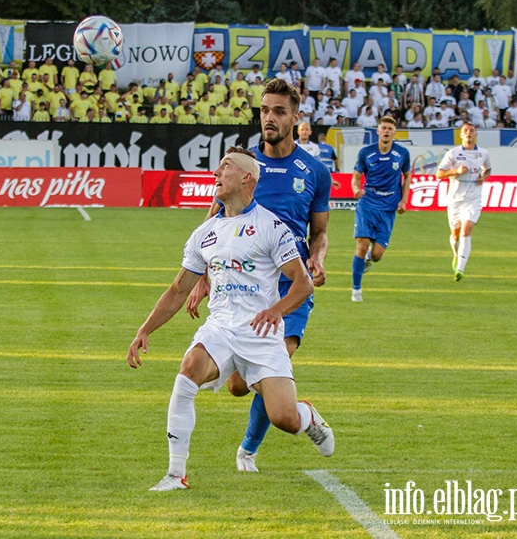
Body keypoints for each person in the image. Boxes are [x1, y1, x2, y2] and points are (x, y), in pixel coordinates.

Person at [128, 146, 334, 491]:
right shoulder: (205, 233)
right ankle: (176, 474)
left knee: (282, 417)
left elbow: (303, 283)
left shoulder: (272, 227)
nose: (215, 174)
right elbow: (179, 289)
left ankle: (307, 417)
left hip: (262, 334)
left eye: (225, 167)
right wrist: (145, 329)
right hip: (221, 327)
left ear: (246, 177)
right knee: (188, 371)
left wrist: (275, 310)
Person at [186, 78, 331, 473]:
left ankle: (248, 449)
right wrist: (201, 280)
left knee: (275, 363)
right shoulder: (243, 164)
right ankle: (303, 412)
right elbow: (212, 226)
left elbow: (319, 233)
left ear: (295, 117)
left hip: (289, 287)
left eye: (279, 111)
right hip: (243, 288)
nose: (269, 118)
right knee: (236, 386)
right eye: (265, 110)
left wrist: (317, 258)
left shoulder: (314, 171)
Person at [350, 116, 412, 302]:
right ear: (377, 131)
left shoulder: (402, 153)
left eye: (390, 128)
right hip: (367, 205)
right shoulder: (366, 153)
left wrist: (403, 200)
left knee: (376, 255)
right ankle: (356, 290)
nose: (386, 131)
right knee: (361, 245)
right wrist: (355, 189)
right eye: (383, 128)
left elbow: (407, 176)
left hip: (388, 208)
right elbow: (355, 177)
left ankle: (369, 257)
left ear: (394, 132)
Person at [436, 122, 491, 281]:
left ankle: (460, 268)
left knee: (466, 231)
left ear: (476, 134)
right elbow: (439, 174)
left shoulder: (483, 154)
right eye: (465, 131)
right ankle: (455, 253)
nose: (469, 133)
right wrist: (456, 171)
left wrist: (484, 177)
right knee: (455, 234)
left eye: (471, 131)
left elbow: (488, 169)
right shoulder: (453, 154)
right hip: (455, 199)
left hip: (473, 198)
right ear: (460, 134)